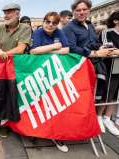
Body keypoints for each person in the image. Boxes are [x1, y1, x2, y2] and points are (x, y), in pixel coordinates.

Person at [63, 0, 115, 134]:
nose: (81, 12)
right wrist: (95, 53)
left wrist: (101, 47)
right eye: (78, 10)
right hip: (79, 68)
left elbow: (94, 42)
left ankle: (88, 124)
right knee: (79, 99)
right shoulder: (69, 27)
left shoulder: (90, 25)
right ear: (74, 12)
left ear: (89, 10)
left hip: (94, 66)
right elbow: (72, 48)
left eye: (84, 9)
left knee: (92, 98)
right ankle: (72, 128)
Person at [30, 11, 69, 152]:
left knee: (55, 103)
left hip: (55, 73)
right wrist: (55, 46)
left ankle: (56, 135)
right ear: (43, 21)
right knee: (38, 103)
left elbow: (67, 50)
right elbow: (33, 51)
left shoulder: (59, 32)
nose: (50, 25)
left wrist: (46, 51)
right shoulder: (38, 32)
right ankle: (37, 132)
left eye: (54, 22)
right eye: (48, 21)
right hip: (38, 73)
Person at [0, 3, 31, 137]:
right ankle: (3, 124)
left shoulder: (25, 27)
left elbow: (21, 49)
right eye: (5, 12)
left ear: (18, 13)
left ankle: (19, 125)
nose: (6, 15)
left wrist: (4, 53)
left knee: (18, 96)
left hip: (18, 69)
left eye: (9, 12)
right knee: (1, 95)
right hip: (0, 69)